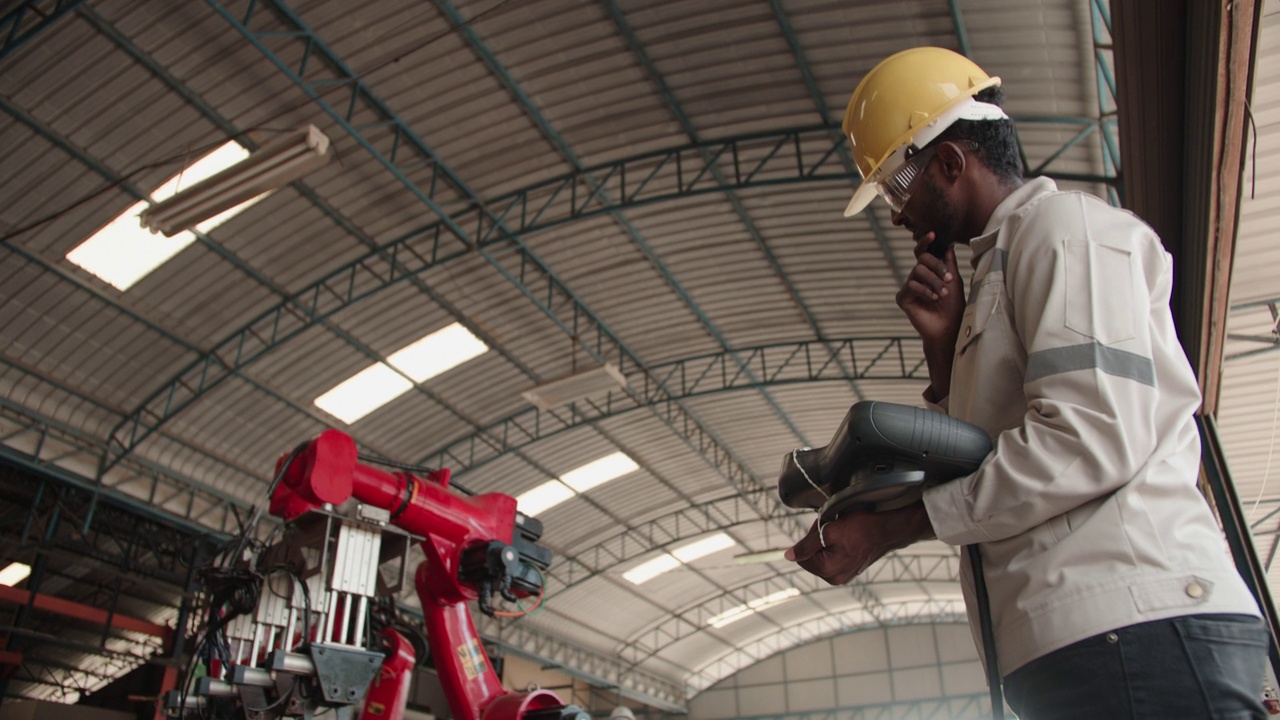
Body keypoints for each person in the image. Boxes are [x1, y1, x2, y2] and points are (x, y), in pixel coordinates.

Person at [784, 46, 1270, 719]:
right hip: (1081, 637)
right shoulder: (998, 274)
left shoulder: (1066, 233)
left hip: (1134, 623)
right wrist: (945, 346)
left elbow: (1086, 437)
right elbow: (991, 451)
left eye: (899, 186)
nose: (897, 215)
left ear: (951, 163)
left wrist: (891, 530)